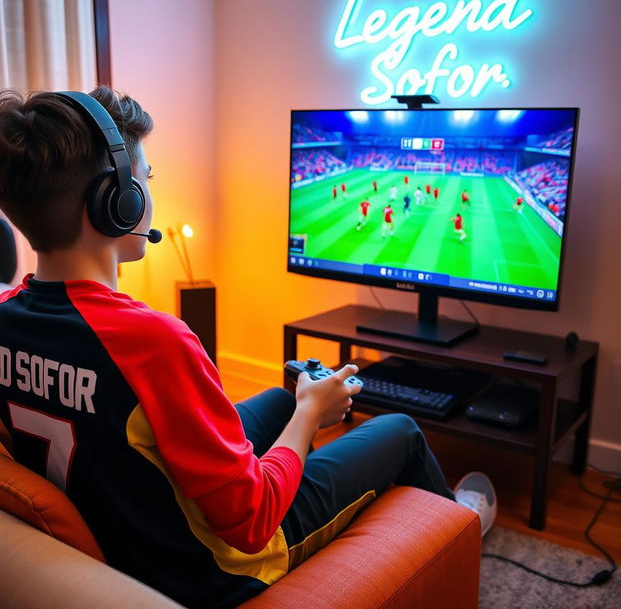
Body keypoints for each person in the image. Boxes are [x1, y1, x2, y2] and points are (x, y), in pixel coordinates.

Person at [0, 87, 496, 609]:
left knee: (280, 398)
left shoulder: (6, 315)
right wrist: (312, 414)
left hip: (130, 531)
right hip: (213, 569)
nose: (147, 191)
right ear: (116, 202)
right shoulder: (153, 341)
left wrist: (296, 406)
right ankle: (457, 531)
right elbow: (252, 521)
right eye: (145, 179)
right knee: (399, 430)